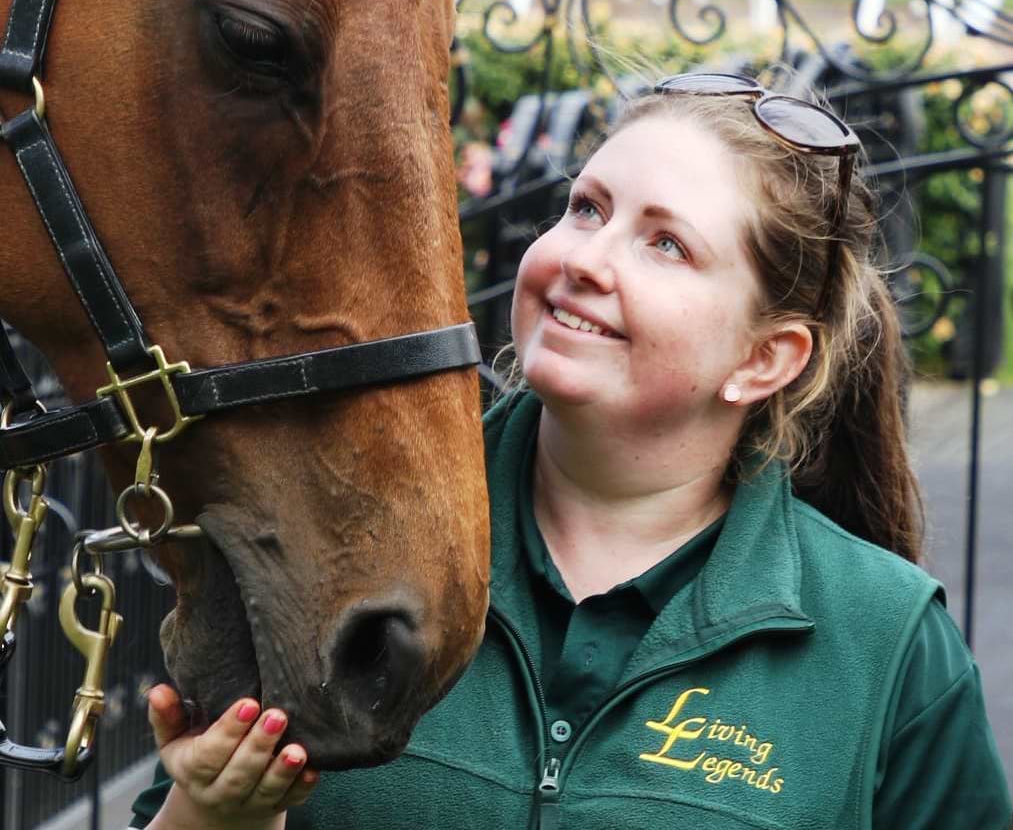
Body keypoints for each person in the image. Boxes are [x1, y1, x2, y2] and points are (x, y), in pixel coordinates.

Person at [130, 73, 1012, 830]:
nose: (586, 258)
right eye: (587, 208)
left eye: (665, 244)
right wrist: (211, 814)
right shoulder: (338, 543)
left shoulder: (886, 641)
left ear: (763, 359)